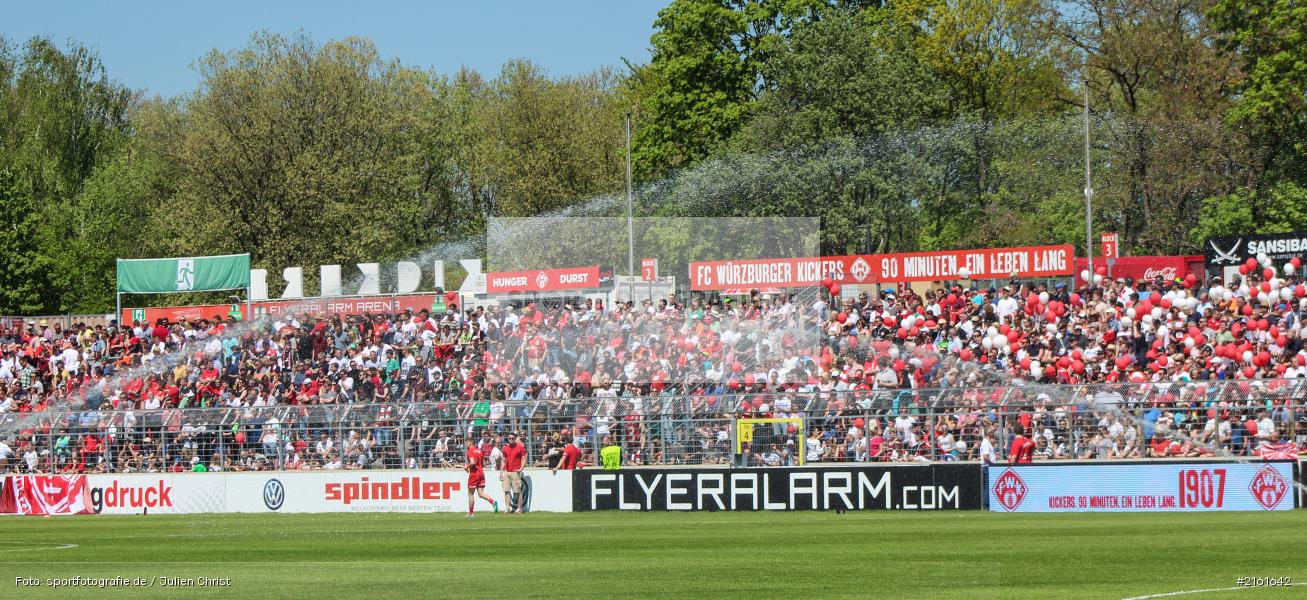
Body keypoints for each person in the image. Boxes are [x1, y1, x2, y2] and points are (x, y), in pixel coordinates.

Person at [464, 441, 497, 518]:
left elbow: (472, 462)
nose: (465, 445)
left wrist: (467, 467)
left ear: (470, 443)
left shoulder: (470, 451)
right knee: (481, 493)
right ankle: (493, 501)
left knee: (471, 494)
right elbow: (484, 464)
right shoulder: (479, 451)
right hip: (481, 473)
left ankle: (471, 513)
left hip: (474, 474)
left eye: (466, 443)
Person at [500, 432, 527, 513]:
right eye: (509, 438)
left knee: (517, 491)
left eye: (512, 438)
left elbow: (524, 459)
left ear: (515, 439)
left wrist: (521, 469)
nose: (511, 440)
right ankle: (507, 508)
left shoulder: (520, 447)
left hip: (515, 472)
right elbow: (503, 461)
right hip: (506, 471)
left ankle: (519, 509)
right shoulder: (505, 448)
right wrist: (501, 472)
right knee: (506, 490)